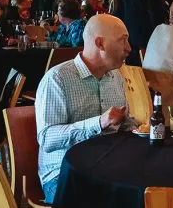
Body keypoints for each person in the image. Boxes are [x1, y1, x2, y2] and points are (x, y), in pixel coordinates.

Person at [36, 14, 137, 204]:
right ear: (100, 44)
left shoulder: (115, 76)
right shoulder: (57, 79)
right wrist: (98, 122)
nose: (129, 48)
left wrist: (136, 128)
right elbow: (47, 138)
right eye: (123, 40)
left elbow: (122, 122)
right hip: (63, 174)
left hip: (106, 167)